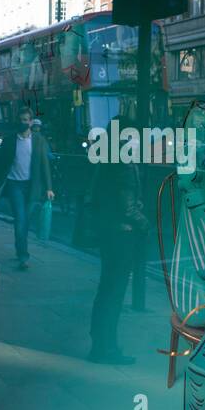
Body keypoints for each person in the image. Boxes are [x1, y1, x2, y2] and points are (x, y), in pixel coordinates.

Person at [76, 132, 147, 365]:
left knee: (106, 290)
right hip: (122, 235)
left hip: (109, 234)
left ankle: (101, 344)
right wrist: (145, 223)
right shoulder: (123, 165)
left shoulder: (108, 161)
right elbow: (127, 207)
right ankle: (106, 349)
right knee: (114, 293)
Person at [0, 107, 53, 270]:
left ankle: (20, 249)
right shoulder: (9, 140)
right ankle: (23, 256)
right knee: (20, 220)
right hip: (14, 185)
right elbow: (1, 165)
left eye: (26, 120)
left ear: (31, 122)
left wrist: (49, 187)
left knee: (25, 221)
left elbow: (45, 165)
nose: (23, 123)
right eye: (21, 120)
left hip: (32, 186)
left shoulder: (39, 140)